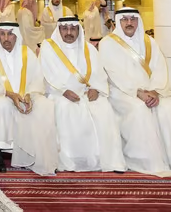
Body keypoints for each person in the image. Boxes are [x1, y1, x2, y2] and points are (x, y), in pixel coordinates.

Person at [99, 8, 171, 176]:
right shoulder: (107, 43)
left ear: (138, 21)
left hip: (152, 91)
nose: (129, 23)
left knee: (168, 108)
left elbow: (159, 69)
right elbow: (115, 73)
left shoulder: (150, 42)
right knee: (139, 109)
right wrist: (138, 92)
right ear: (118, 21)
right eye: (125, 19)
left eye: (133, 19)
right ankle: (147, 161)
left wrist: (155, 91)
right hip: (122, 92)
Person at [40, 17, 126, 172]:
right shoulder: (48, 48)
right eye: (65, 28)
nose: (69, 32)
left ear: (79, 30)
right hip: (59, 94)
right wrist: (63, 91)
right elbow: (46, 75)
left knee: (103, 108)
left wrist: (96, 89)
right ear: (59, 30)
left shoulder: (89, 49)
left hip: (86, 93)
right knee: (65, 109)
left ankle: (107, 159)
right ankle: (71, 159)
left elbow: (99, 74)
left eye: (73, 29)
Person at [0, 22, 58, 175]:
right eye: (2, 34)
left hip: (26, 96)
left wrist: (29, 95)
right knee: (3, 105)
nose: (6, 38)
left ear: (16, 35)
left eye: (10, 34)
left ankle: (41, 154)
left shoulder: (26, 52)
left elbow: (37, 78)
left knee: (45, 104)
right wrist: (10, 94)